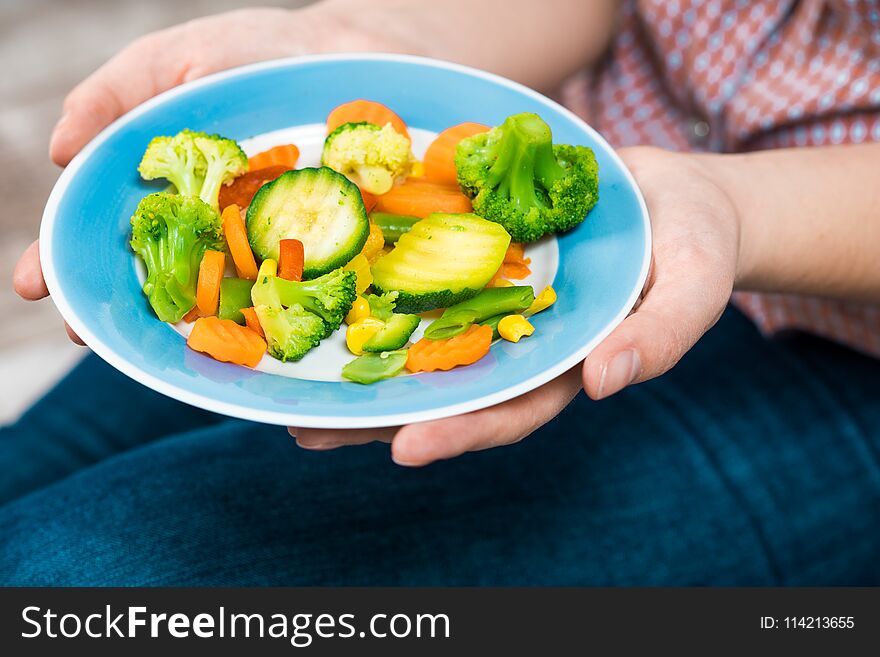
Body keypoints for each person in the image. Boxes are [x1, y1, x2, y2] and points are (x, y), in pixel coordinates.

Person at [3, 0, 879, 585]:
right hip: (594, 215)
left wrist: (734, 204)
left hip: (837, 350)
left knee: (62, 567)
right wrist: (375, 34)